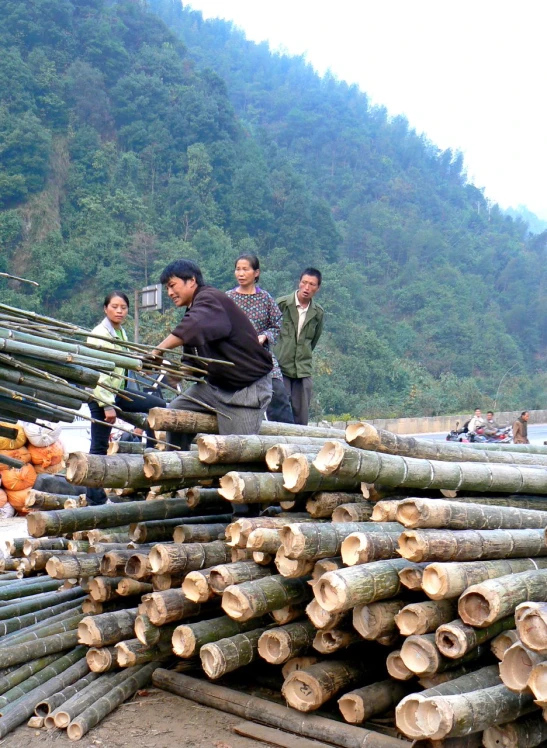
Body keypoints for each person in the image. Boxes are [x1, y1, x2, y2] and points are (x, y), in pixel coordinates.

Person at [150, 259, 273, 451]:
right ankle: (174, 466)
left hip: (246, 389)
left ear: (191, 281)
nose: (170, 293)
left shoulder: (211, 299)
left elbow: (193, 325)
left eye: (172, 286)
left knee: (236, 452)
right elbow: (194, 363)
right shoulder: (193, 311)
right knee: (175, 411)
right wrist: (177, 374)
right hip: (215, 388)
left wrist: (157, 351)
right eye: (167, 288)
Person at [86, 292, 165, 506]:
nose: (119, 311)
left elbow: (126, 362)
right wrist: (107, 406)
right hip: (101, 397)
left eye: (123, 307)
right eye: (115, 306)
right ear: (105, 309)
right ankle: (95, 499)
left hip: (119, 392)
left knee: (157, 405)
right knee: (99, 446)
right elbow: (99, 373)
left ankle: (154, 451)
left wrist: (144, 367)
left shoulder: (120, 333)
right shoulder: (98, 334)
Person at [226, 254, 294, 424]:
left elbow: (278, 323)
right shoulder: (227, 298)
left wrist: (265, 336)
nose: (240, 273)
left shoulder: (265, 298)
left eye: (245, 269)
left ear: (256, 273)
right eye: (238, 269)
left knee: (278, 393)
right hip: (235, 357)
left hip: (262, 357)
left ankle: (286, 440)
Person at [275, 268, 324, 425]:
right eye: (304, 282)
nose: (307, 288)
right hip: (280, 368)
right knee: (279, 413)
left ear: (318, 288)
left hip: (303, 371)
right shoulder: (281, 305)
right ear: (299, 282)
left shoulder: (318, 313)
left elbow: (313, 341)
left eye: (312, 284)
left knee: (301, 418)